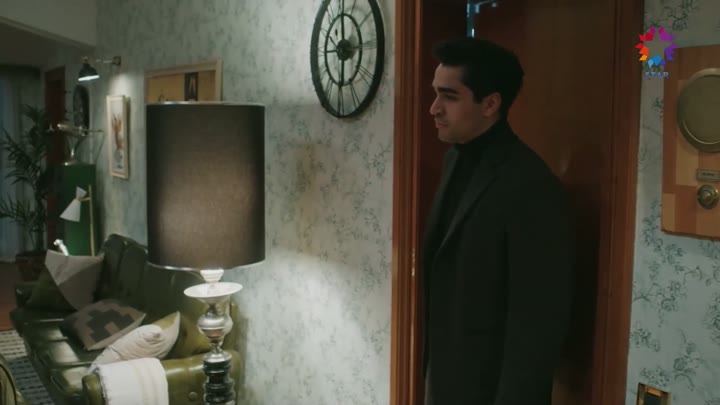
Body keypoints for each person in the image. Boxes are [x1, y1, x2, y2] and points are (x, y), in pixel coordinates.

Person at [422, 37, 575, 405]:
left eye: (449, 96)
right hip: (444, 379)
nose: (434, 108)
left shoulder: (531, 184)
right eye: (435, 94)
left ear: (490, 104)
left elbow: (536, 326)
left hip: (490, 390)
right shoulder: (454, 159)